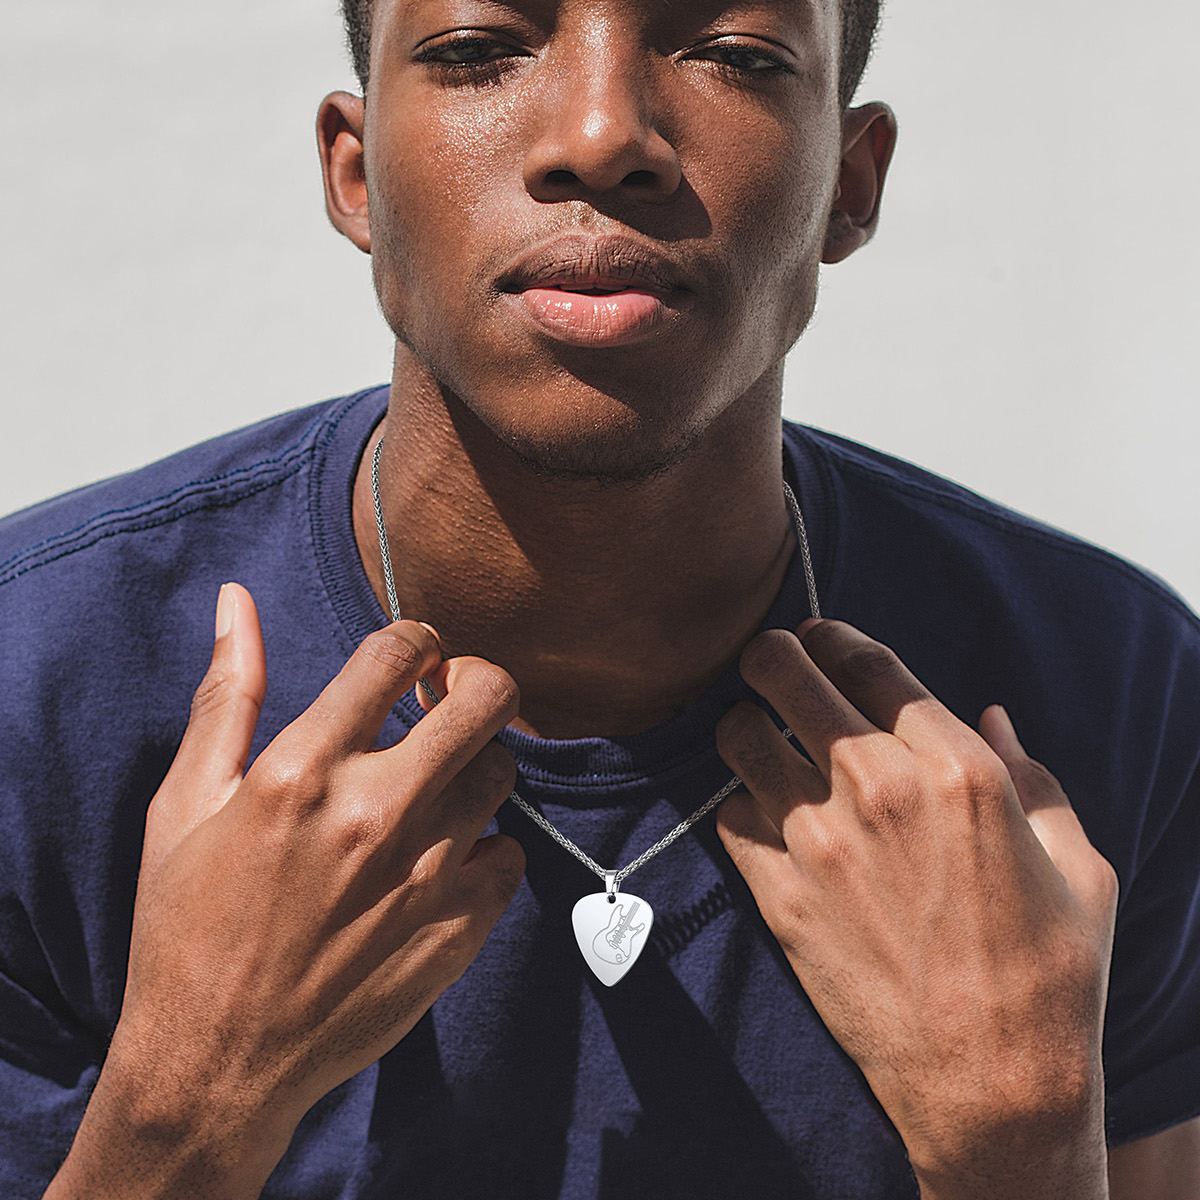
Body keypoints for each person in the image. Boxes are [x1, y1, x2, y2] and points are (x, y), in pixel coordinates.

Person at [1, 1, 1197, 1196]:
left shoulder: (1110, 687)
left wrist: (1021, 1140)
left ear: (850, 179)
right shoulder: (38, 678)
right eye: (479, 49)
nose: (599, 132)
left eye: (734, 53)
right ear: (357, 174)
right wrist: (182, 1104)